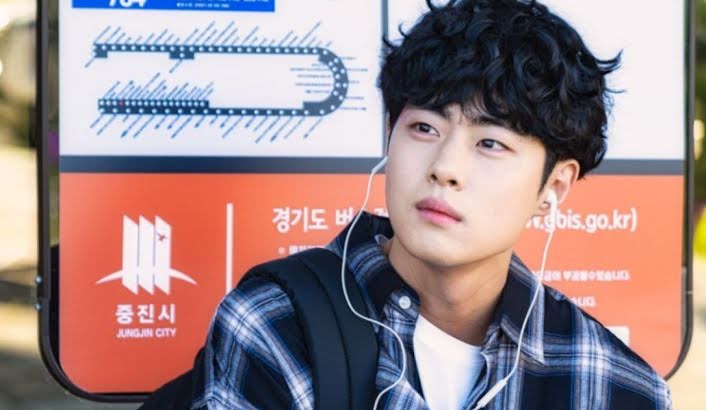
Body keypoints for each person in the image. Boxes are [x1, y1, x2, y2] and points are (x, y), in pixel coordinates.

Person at [191, 0, 672, 408]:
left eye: (490, 143)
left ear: (554, 186)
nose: (446, 168)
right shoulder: (278, 324)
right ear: (390, 135)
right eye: (424, 128)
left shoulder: (615, 383)